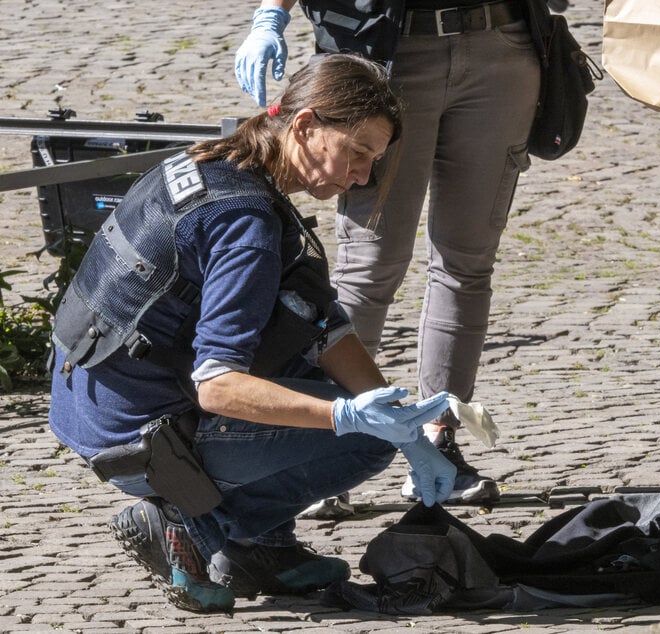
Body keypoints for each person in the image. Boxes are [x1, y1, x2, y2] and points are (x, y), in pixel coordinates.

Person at [47, 54, 457, 614]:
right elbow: (218, 385)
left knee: (312, 364)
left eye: (373, 160)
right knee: (361, 438)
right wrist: (352, 417)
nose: (362, 175)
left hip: (87, 390)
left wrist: (409, 428)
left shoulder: (218, 161)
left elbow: (319, 323)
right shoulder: (247, 223)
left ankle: (263, 548)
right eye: (357, 152)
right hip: (135, 431)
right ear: (307, 125)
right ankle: (191, 526)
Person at [234, 0, 543, 506]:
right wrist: (270, 15)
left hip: (500, 44)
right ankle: (318, 447)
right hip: (390, 51)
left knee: (467, 264)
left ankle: (442, 439)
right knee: (371, 266)